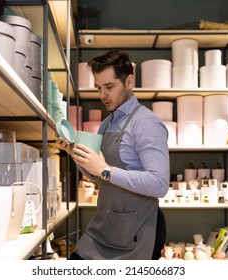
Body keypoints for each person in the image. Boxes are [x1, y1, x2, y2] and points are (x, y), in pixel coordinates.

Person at [57, 50, 170, 260]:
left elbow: (159, 184)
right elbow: (97, 175)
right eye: (99, 88)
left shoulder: (146, 123)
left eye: (109, 87)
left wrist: (105, 170)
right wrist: (75, 153)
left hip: (138, 230)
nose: (102, 95)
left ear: (128, 82)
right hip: (106, 223)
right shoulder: (107, 123)